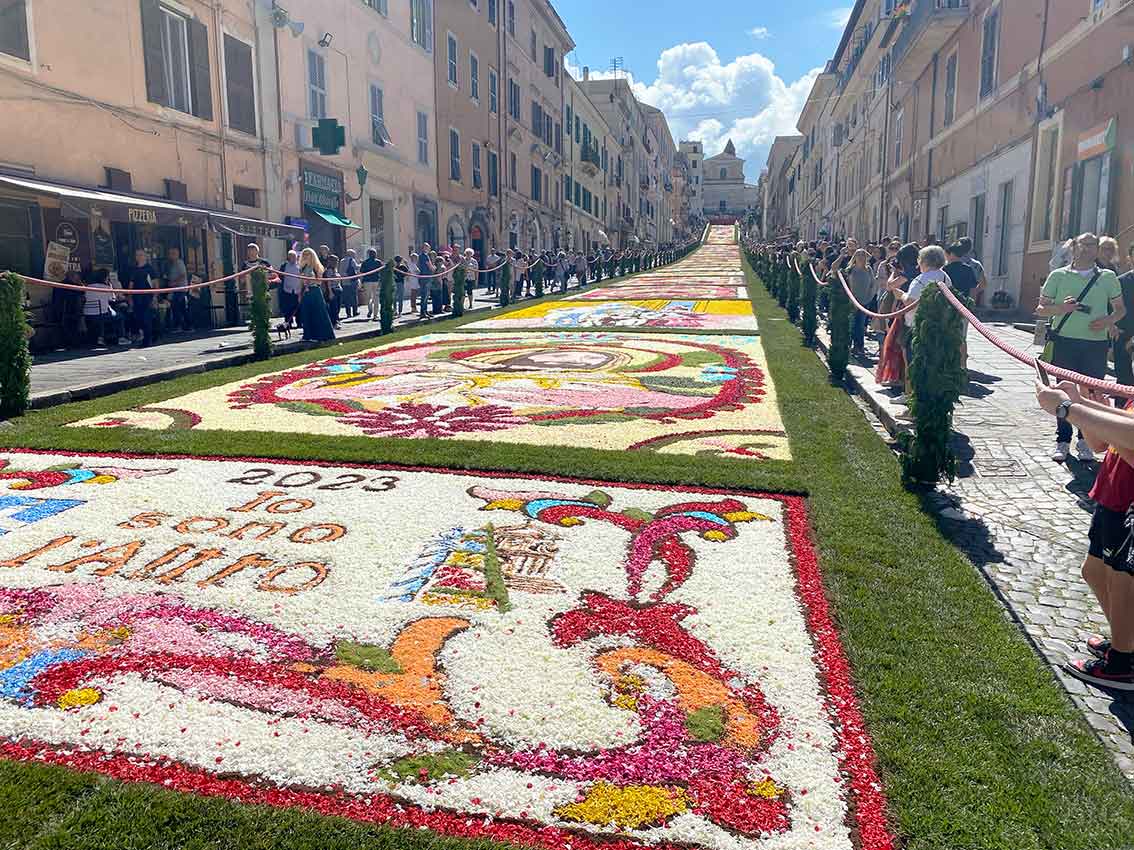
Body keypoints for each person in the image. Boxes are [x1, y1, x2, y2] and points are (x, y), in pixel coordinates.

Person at [1035, 380, 1134, 690]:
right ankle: (1126, 640)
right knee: (1094, 572)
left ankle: (1123, 660)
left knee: (1122, 583)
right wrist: (1080, 403)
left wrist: (1069, 408)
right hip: (1110, 493)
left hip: (1127, 501)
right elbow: (1103, 444)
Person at [1037, 232, 1126, 463]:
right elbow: (1041, 309)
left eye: (1092, 245)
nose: (1088, 249)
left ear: (1097, 249)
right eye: (1083, 245)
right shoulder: (1058, 276)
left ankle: (1086, 441)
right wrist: (1061, 309)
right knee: (1063, 391)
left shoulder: (1107, 277)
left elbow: (1120, 310)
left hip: (1095, 344)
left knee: (1092, 393)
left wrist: (1107, 321)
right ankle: (1063, 440)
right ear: (1074, 247)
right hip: (1064, 341)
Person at [874, 243, 920, 392]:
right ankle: (899, 379)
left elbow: (890, 286)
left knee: (898, 345)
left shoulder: (909, 273)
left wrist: (894, 272)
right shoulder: (918, 270)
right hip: (905, 307)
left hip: (904, 309)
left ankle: (900, 381)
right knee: (900, 345)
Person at [297, 247, 334, 342]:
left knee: (318, 314)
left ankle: (320, 335)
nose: (306, 256)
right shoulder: (302, 267)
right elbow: (300, 282)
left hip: (315, 291)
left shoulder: (317, 266)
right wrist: (300, 294)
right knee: (306, 314)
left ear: (312, 255)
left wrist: (309, 280)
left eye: (308, 254)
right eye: (304, 254)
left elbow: (319, 282)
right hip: (306, 292)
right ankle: (307, 335)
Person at [83, 269, 126, 346]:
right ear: (105, 278)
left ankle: (101, 337)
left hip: (88, 314)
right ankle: (121, 338)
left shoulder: (88, 286)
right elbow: (113, 299)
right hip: (101, 315)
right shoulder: (106, 287)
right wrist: (110, 286)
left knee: (104, 312)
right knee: (120, 317)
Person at [1113, 244, 1134, 397]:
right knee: (1124, 382)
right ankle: (1122, 416)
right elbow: (1112, 309)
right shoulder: (1120, 282)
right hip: (1123, 337)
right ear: (1129, 258)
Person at [125, 248, 157, 347]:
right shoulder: (133, 269)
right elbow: (131, 284)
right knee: (138, 318)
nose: (139, 257)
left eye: (141, 255)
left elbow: (155, 283)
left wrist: (155, 297)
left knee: (146, 318)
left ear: (145, 256)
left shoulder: (150, 269)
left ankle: (147, 341)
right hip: (136, 297)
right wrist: (130, 298)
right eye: (137, 255)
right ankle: (145, 337)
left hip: (147, 297)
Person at [846, 248, 874, 356]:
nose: (861, 257)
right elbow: (847, 285)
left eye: (863, 255)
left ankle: (859, 346)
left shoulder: (869, 269)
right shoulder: (850, 269)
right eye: (858, 255)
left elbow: (873, 284)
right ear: (855, 257)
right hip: (852, 300)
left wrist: (869, 297)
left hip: (865, 301)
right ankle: (849, 344)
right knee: (852, 323)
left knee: (860, 324)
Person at [165, 246, 190, 333]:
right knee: (181, 308)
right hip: (178, 289)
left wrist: (173, 283)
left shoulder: (179, 263)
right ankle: (187, 326)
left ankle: (179, 326)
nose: (170, 255)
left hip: (179, 289)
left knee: (176, 308)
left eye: (172, 254)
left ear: (177, 254)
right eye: (170, 254)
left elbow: (183, 275)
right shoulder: (174, 263)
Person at [278, 250, 302, 329]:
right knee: (288, 308)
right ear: (288, 257)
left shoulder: (300, 265)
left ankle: (299, 322)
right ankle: (289, 323)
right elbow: (280, 276)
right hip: (287, 290)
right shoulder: (284, 265)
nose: (293, 258)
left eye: (294, 256)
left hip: (297, 290)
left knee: (298, 308)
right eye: (291, 256)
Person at [360, 248, 383, 320]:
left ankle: (372, 311)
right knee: (375, 299)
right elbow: (382, 272)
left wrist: (361, 282)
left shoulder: (365, 262)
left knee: (369, 298)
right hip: (374, 281)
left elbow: (362, 273)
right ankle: (374, 314)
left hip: (369, 281)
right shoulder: (378, 262)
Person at [323, 254, 343, 328]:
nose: (337, 263)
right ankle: (334, 322)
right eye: (336, 261)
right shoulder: (329, 270)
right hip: (333, 290)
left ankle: (336, 321)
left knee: (338, 307)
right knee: (333, 308)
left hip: (338, 290)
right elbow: (328, 282)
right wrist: (330, 292)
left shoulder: (336, 270)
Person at [341, 249, 361, 319]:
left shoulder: (342, 261)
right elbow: (356, 267)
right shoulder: (351, 260)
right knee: (354, 296)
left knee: (347, 298)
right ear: (351, 254)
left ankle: (348, 313)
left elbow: (341, 271)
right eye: (354, 254)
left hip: (344, 281)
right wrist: (361, 264)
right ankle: (355, 312)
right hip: (352, 281)